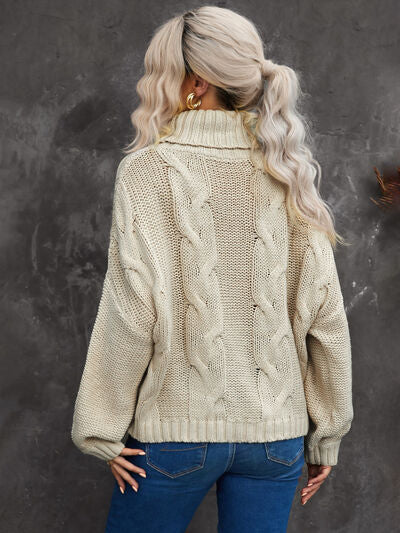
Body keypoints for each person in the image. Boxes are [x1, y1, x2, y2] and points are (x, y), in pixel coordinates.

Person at [71, 6, 354, 532]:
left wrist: (100, 429)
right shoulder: (288, 169)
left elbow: (130, 311)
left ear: (197, 82)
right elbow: (326, 317)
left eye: (159, 71)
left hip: (176, 433)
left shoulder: (147, 171)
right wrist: (327, 434)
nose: (148, 83)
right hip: (276, 440)